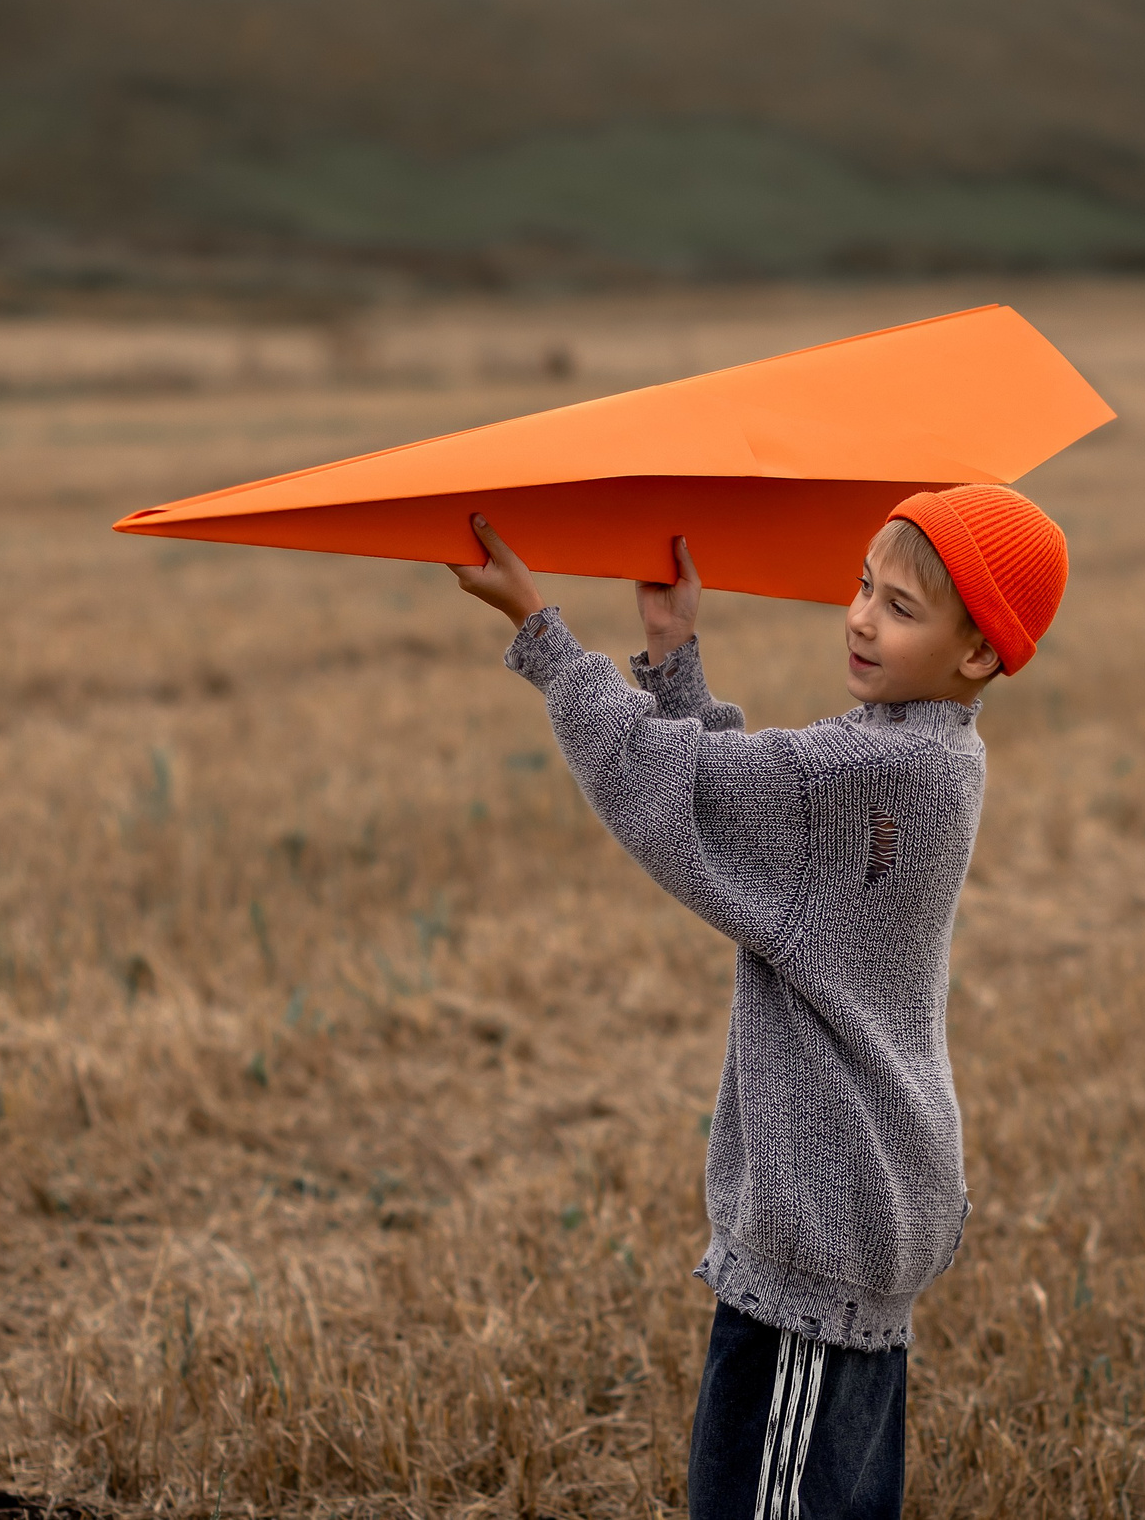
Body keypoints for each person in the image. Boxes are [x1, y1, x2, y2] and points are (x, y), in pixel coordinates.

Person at [448, 485, 1071, 1520]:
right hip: (872, 1196)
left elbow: (676, 792)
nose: (863, 617)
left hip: (823, 1225)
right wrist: (673, 658)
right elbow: (748, 825)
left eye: (902, 608)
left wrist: (541, 634)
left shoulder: (869, 767)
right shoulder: (934, 756)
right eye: (863, 586)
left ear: (977, 653)